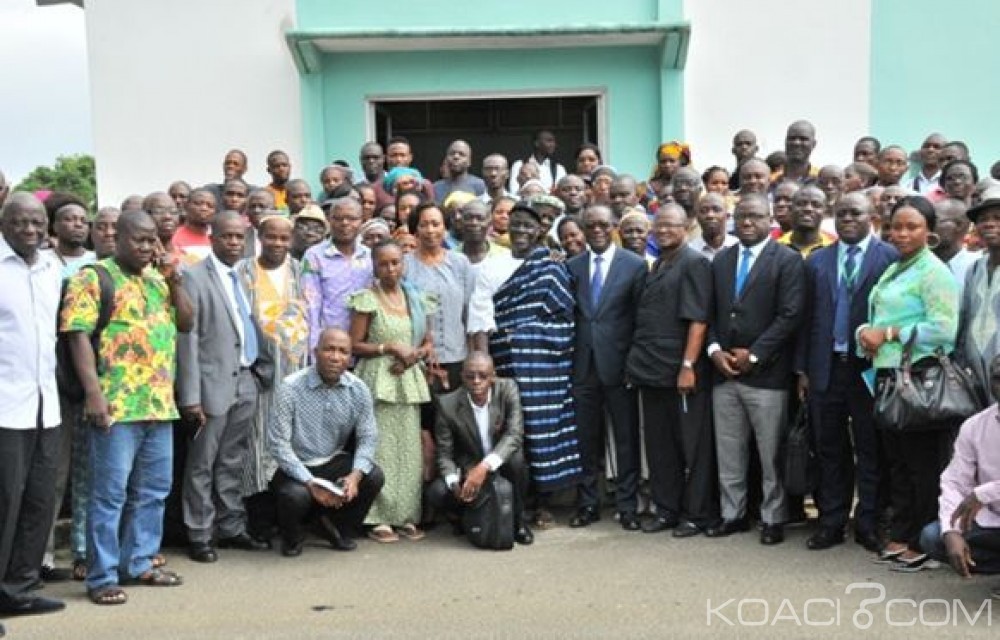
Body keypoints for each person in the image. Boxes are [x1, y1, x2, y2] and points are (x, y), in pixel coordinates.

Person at [62, 210, 194, 604]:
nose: (148, 247)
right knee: (109, 495)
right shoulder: (93, 277)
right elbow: (77, 335)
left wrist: (174, 281)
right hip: (116, 405)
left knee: (153, 491)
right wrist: (94, 394)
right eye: (139, 239)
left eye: (153, 239)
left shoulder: (157, 278)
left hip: (158, 405)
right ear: (116, 237)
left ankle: (139, 563)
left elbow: (187, 322)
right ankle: (102, 576)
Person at [857, 195, 960, 570]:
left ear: (929, 231)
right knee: (898, 464)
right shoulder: (897, 268)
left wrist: (888, 334)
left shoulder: (933, 272)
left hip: (918, 379)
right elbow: (880, 314)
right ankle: (902, 533)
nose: (901, 234)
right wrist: (865, 332)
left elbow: (944, 330)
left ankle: (924, 541)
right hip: (889, 378)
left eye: (911, 227)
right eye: (896, 227)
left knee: (921, 466)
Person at [468, 204, 583, 523]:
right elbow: (481, 317)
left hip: (546, 368)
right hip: (504, 363)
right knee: (507, 431)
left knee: (543, 430)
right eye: (515, 224)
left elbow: (564, 319)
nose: (520, 230)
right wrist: (487, 365)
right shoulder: (492, 266)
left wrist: (523, 334)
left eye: (528, 226)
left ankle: (543, 501)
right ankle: (514, 505)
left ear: (539, 231)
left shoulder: (552, 266)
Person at [797, 193, 899, 553]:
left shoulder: (889, 257)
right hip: (826, 367)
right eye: (841, 214)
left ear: (872, 216)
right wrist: (803, 369)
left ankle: (868, 522)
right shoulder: (817, 260)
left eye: (855, 213)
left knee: (871, 448)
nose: (848, 219)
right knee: (829, 448)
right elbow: (806, 319)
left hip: (869, 368)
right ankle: (832, 522)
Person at [705, 194, 806, 545]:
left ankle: (772, 517)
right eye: (742, 216)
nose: (747, 222)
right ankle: (732, 514)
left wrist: (756, 355)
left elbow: (790, 315)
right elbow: (709, 312)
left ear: (770, 220)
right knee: (729, 450)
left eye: (756, 216)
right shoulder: (722, 259)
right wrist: (714, 351)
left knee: (770, 453)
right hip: (724, 372)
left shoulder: (787, 260)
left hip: (767, 376)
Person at [176, 211, 274, 563]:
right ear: (212, 238)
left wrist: (260, 373)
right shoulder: (193, 277)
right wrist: (190, 397)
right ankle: (200, 533)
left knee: (232, 459)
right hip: (210, 387)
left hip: (245, 381)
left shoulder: (242, 275)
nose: (234, 242)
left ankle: (230, 527)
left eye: (238, 237)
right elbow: (187, 340)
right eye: (226, 236)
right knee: (202, 464)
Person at [626, 205, 717, 537]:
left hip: (681, 370)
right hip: (651, 370)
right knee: (660, 447)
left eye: (671, 225)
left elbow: (699, 320)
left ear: (686, 227)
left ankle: (697, 514)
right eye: (658, 225)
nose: (663, 230)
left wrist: (688, 365)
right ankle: (667, 510)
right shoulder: (658, 264)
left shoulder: (694, 263)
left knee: (692, 446)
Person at [0, 193, 66, 619]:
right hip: (5, 407)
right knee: (4, 505)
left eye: (37, 222)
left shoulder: (51, 268)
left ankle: (18, 590)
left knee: (39, 501)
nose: (30, 229)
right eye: (20, 222)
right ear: (4, 223)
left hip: (46, 404)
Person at [267, 328, 384, 557]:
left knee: (373, 476)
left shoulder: (358, 389)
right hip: (294, 465)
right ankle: (293, 536)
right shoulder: (290, 387)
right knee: (295, 496)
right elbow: (279, 445)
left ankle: (332, 526)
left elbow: (368, 437)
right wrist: (310, 482)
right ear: (315, 352)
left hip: (331, 460)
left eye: (343, 352)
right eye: (329, 349)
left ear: (350, 358)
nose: (335, 357)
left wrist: (355, 476)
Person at [567, 204, 647, 530]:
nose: (597, 230)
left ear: (614, 226)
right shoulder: (571, 266)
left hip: (620, 366)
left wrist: (634, 364)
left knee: (626, 439)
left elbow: (641, 320)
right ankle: (588, 504)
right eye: (590, 226)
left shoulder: (635, 265)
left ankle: (627, 506)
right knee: (585, 439)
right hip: (583, 367)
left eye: (603, 224)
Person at [348, 240, 433, 543]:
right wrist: (389, 347)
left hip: (407, 379)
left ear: (403, 264)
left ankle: (406, 515)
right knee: (380, 448)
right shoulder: (366, 299)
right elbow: (353, 345)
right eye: (383, 264)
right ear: (374, 267)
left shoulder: (416, 298)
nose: (390, 269)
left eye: (395, 262)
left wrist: (413, 355)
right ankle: (378, 517)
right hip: (377, 379)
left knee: (408, 451)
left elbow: (427, 342)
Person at [234, 214, 308, 542]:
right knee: (256, 443)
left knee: (292, 442)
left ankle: (290, 520)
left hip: (297, 374)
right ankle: (259, 522)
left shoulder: (301, 271)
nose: (277, 243)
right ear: (259, 237)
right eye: (271, 237)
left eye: (284, 238)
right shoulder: (243, 271)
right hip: (260, 373)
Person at [427, 352, 534, 545]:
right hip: (467, 466)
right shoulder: (447, 404)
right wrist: (454, 483)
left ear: (493, 376)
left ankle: (518, 520)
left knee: (517, 461)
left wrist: (484, 467)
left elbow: (514, 435)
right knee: (437, 492)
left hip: (499, 462)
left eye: (483, 376)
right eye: (470, 376)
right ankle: (464, 518)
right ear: (462, 376)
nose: (476, 381)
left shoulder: (507, 389)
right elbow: (444, 454)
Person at [918, 355, 1000, 578]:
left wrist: (983, 493)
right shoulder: (974, 427)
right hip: (994, 521)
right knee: (933, 537)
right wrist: (951, 531)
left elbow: (977, 494)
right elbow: (954, 482)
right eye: (998, 378)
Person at [403, 202, 475, 392]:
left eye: (436, 224)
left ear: (445, 227)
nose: (430, 230)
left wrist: (473, 355)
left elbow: (469, 312)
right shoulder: (405, 265)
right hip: (416, 358)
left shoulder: (460, 263)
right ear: (415, 229)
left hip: (457, 355)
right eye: (424, 224)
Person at [301, 197, 371, 348]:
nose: (345, 223)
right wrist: (314, 347)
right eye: (338, 218)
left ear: (362, 221)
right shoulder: (314, 256)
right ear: (329, 221)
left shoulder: (369, 256)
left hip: (363, 346)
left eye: (352, 218)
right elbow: (311, 306)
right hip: (328, 345)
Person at [957, 187, 1000, 402]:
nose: (989, 224)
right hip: (975, 377)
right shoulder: (974, 269)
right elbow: (965, 320)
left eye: (998, 218)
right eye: (983, 219)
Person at [778, 185, 837, 258]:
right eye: (801, 204)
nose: (808, 209)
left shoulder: (833, 249)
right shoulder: (777, 247)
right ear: (791, 209)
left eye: (816, 205)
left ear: (825, 212)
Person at [45, 195, 94, 278]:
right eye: (70, 219)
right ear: (55, 226)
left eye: (84, 221)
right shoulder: (42, 259)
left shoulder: (97, 261)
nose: (78, 224)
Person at [934, 198, 978, 287]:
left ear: (959, 225)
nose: (928, 227)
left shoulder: (977, 266)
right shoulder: (917, 264)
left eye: (935, 221)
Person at [508, 130, 566, 194]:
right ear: (537, 143)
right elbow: (514, 191)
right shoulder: (519, 165)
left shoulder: (559, 168)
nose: (553, 144)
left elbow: (562, 193)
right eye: (549, 141)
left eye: (554, 141)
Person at [458, 200, 509, 267]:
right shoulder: (450, 258)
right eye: (468, 218)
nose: (474, 223)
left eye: (480, 218)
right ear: (461, 222)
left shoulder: (504, 256)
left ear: (489, 222)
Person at [690, 192, 737, 260]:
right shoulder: (691, 250)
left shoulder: (738, 247)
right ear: (697, 217)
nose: (710, 215)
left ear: (727, 216)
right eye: (704, 211)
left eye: (716, 210)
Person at [173, 188, 216, 262]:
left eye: (210, 206)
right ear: (186, 206)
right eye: (198, 204)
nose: (204, 208)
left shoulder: (219, 237)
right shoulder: (174, 237)